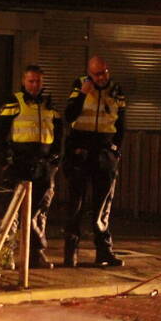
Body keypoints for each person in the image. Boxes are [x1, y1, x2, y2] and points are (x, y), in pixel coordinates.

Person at [0, 65, 63, 268]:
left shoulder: (49, 105)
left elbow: (59, 135)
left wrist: (55, 161)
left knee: (39, 212)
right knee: (12, 210)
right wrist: (6, 162)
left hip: (44, 165)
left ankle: (36, 254)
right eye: (31, 81)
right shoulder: (13, 102)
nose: (35, 85)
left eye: (38, 81)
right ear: (23, 82)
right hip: (19, 163)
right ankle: (6, 254)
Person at [62, 55, 126, 267]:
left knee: (103, 205)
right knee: (76, 204)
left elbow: (121, 123)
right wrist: (82, 94)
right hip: (81, 152)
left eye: (104, 72)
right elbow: (69, 116)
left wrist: (116, 150)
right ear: (89, 73)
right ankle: (71, 253)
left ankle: (104, 251)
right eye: (97, 74)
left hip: (105, 153)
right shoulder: (79, 85)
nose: (101, 77)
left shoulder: (116, 90)